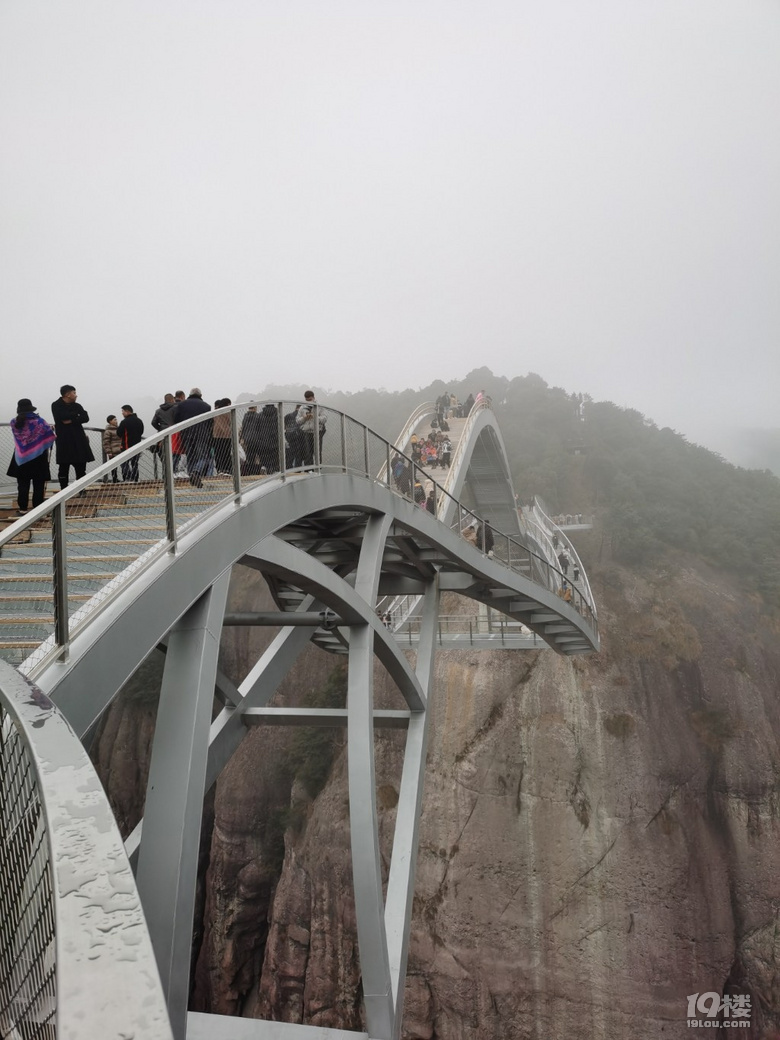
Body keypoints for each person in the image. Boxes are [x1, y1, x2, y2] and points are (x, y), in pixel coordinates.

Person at [6, 399, 54, 514]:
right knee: (38, 484)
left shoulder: (14, 422)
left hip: (21, 456)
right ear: (31, 408)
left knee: (22, 484)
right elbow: (50, 436)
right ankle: (37, 510)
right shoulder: (40, 421)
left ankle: (22, 509)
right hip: (39, 456)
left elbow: (21, 437)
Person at [51, 384, 95, 490]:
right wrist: (76, 415)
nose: (76, 395)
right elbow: (62, 416)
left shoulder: (77, 405)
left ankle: (80, 489)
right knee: (63, 467)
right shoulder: (56, 405)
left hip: (78, 438)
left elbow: (86, 417)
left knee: (80, 466)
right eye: (74, 393)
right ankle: (64, 489)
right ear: (67, 394)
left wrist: (72, 420)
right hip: (64, 439)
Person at [173, 388, 211, 487]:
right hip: (201, 435)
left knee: (191, 457)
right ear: (200, 395)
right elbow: (209, 423)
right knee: (203, 456)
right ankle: (196, 471)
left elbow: (176, 420)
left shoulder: (181, 405)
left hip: (186, 434)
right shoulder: (206, 406)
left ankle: (192, 478)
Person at [296, 390, 326, 467]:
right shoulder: (302, 408)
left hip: (317, 432)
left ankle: (318, 468)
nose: (308, 402)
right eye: (307, 400)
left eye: (310, 400)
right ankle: (308, 469)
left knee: (317, 451)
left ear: (313, 398)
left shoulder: (319, 407)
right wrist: (305, 418)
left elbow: (324, 419)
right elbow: (297, 421)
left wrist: (315, 416)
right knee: (307, 452)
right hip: (306, 432)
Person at [116, 405, 144, 482]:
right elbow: (141, 432)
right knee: (134, 464)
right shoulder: (139, 421)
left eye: (123, 411)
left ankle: (128, 478)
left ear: (127, 411)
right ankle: (135, 479)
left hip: (126, 446)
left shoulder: (124, 422)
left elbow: (119, 433)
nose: (122, 413)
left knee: (124, 463)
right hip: (137, 445)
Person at [211, 398, 233, 475]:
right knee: (226, 453)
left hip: (216, 435)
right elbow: (231, 422)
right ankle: (227, 469)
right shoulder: (229, 412)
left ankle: (219, 469)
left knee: (218, 453)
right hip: (227, 436)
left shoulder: (215, 413)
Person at [102, 415, 122, 483]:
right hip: (113, 451)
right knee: (114, 467)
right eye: (114, 420)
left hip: (121, 450)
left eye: (116, 420)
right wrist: (109, 452)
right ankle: (115, 479)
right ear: (110, 421)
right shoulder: (108, 431)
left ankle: (124, 478)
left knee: (123, 465)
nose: (116, 421)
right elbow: (106, 442)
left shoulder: (119, 429)